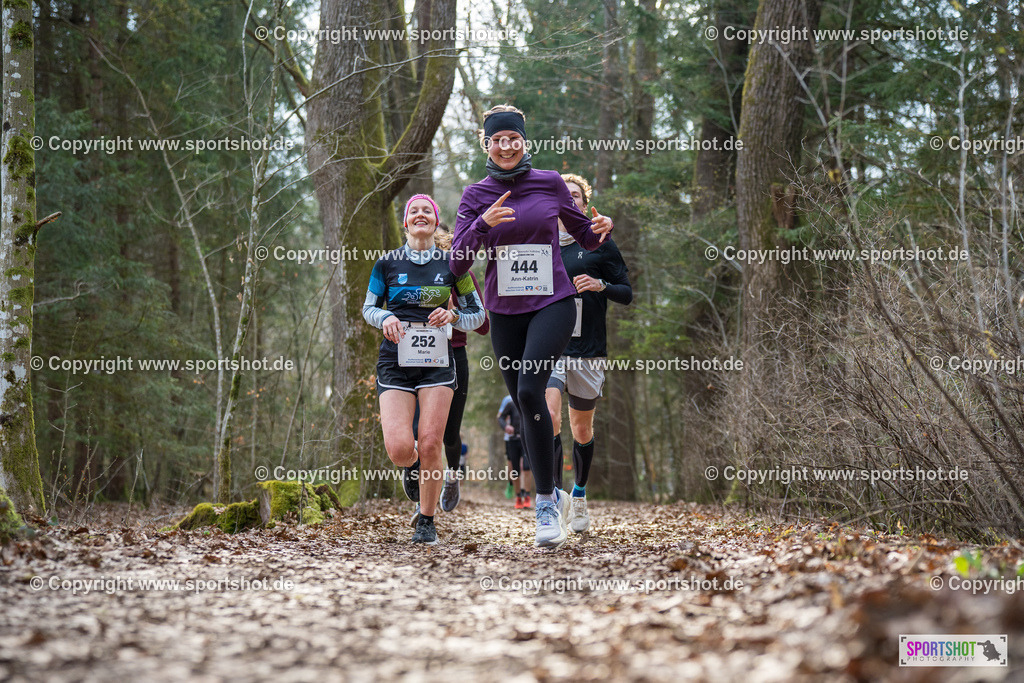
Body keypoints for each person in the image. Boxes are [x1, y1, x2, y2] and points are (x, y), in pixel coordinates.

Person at [451, 104, 613, 549]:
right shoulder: (475, 195)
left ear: (525, 141)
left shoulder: (550, 182)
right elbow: (457, 262)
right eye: (498, 140)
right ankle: (554, 492)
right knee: (527, 406)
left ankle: (544, 503)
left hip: (554, 302)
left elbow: (587, 235)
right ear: (487, 145)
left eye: (513, 138)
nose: (506, 146)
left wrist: (603, 228)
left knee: (528, 391)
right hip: (504, 310)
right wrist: (481, 226)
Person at [363, 194, 485, 544]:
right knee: (401, 448)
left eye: (426, 211)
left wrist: (454, 315)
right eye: (413, 211)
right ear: (405, 223)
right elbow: (369, 308)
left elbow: (479, 315)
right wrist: (385, 316)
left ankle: (426, 522)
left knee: (431, 442)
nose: (420, 215)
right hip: (395, 362)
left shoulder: (454, 265)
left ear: (434, 221)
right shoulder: (386, 263)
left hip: (437, 364)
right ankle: (414, 467)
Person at [546, 173, 632, 533]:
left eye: (577, 195)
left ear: (584, 203)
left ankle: (578, 494)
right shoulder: (541, 241)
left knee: (582, 429)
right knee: (548, 416)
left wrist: (601, 285)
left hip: (589, 350)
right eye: (564, 194)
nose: (571, 199)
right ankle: (553, 496)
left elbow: (626, 292)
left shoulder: (601, 243)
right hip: (550, 345)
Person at [409, 225, 490, 529]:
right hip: (415, 357)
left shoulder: (459, 274)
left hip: (453, 355)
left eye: (441, 244)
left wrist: (454, 311)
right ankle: (420, 498)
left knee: (449, 433)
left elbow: (483, 326)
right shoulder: (407, 271)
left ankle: (453, 476)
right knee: (420, 431)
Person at [497, 394, 532, 508]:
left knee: (527, 468)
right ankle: (518, 497)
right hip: (513, 440)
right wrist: (506, 427)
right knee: (515, 470)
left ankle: (527, 496)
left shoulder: (530, 400)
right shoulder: (510, 403)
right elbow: (501, 417)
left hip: (526, 440)